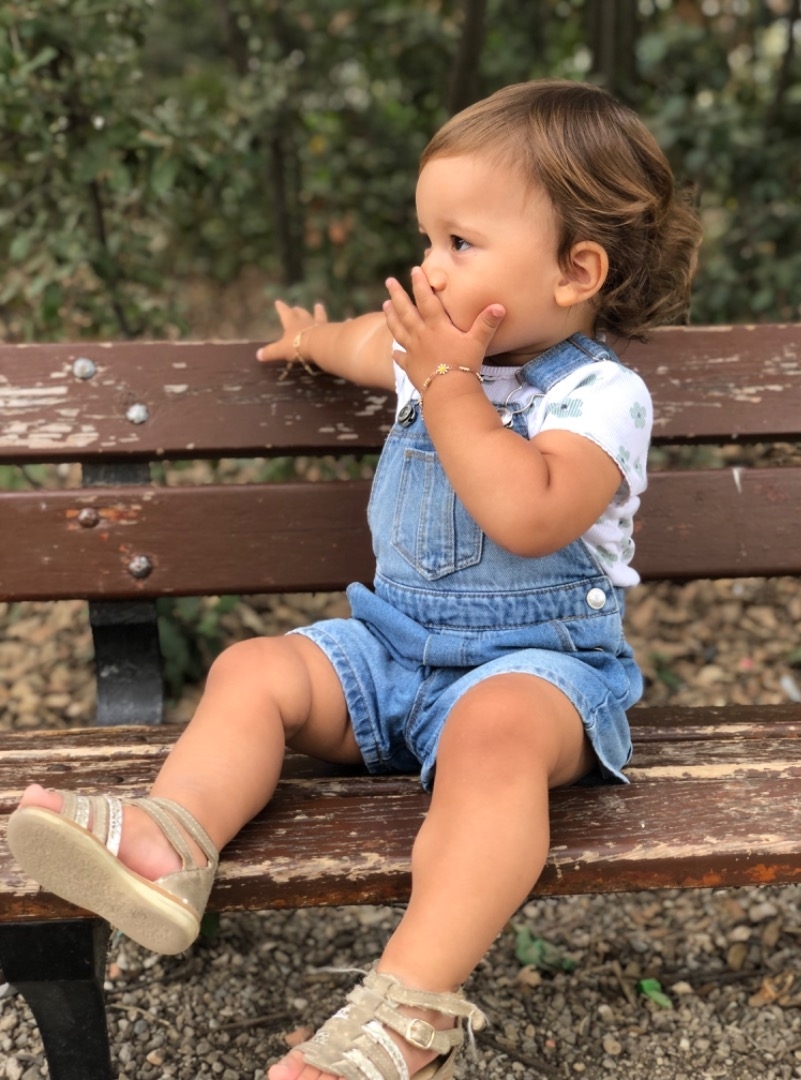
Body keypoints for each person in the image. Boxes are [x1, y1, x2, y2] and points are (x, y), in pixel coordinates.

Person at [8, 79, 701, 1080]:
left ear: (575, 271)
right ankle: (172, 841)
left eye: (460, 243)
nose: (428, 268)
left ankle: (411, 1010)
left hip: (537, 674)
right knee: (255, 669)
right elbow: (364, 345)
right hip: (390, 658)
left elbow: (529, 512)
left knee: (495, 732)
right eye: (427, 240)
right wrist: (311, 340)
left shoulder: (599, 397)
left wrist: (451, 384)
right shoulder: (429, 359)